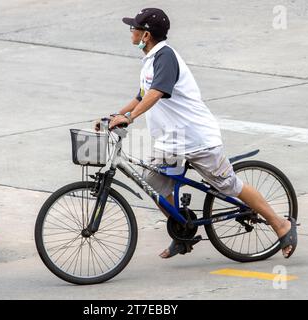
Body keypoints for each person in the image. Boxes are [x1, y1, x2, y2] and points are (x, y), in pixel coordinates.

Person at [100, 8, 297, 259]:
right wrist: (114, 116)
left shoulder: (166, 57)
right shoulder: (150, 59)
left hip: (196, 140)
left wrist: (129, 118)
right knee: (154, 187)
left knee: (228, 184)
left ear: (146, 35)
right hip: (171, 142)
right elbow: (141, 95)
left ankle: (280, 224)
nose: (131, 31)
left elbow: (155, 93)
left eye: (134, 28)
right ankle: (183, 232)